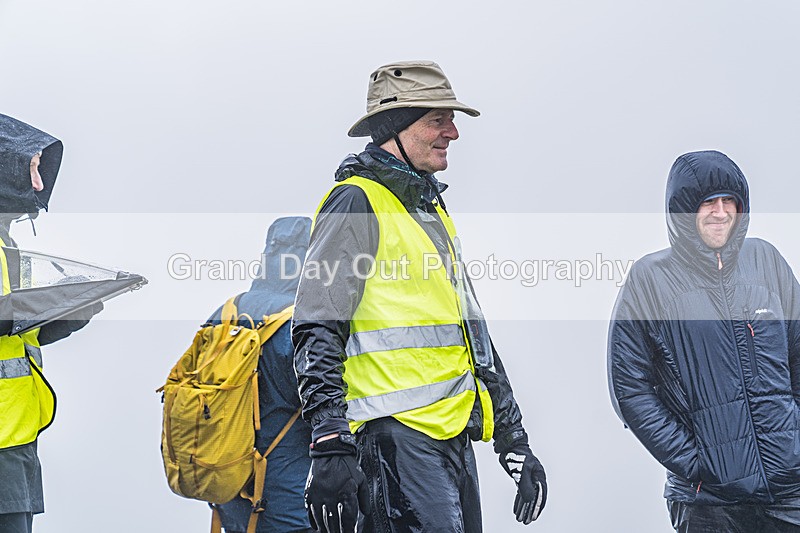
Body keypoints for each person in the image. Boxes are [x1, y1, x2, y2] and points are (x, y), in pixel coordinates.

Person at [292, 61, 547, 533]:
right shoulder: (356, 201)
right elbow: (316, 324)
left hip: (450, 440)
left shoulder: (429, 211)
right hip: (394, 441)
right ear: (395, 127)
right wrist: (328, 438)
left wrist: (513, 439)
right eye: (437, 119)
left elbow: (472, 335)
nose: (452, 132)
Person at [607, 150, 800, 532]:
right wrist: (695, 462)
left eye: (729, 200)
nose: (720, 211)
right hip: (708, 500)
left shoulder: (766, 261)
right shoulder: (650, 280)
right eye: (708, 202)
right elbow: (629, 389)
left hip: (789, 490)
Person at [0, 114, 101, 532]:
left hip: (14, 438)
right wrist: (54, 299)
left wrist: (74, 309)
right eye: (33, 167)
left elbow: (18, 333)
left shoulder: (7, 244)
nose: (39, 184)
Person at [207, 216, 314, 533]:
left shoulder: (225, 314)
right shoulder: (301, 325)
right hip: (292, 507)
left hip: (231, 497)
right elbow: (326, 405)